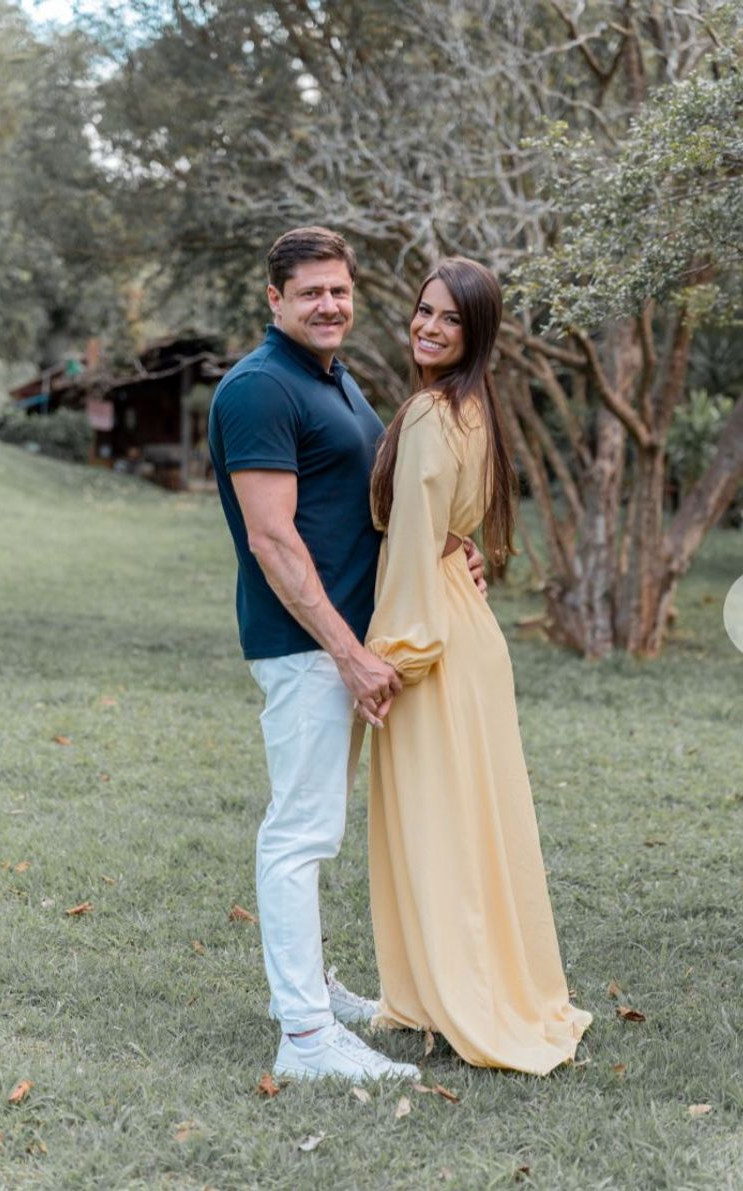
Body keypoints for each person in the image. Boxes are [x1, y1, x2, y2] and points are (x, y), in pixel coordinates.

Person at [208, 227, 487, 1083]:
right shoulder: (259, 389)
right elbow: (272, 539)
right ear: (274, 299)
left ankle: (312, 988)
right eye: (310, 292)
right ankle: (304, 1037)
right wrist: (346, 653)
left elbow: (371, 506)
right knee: (300, 832)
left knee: (318, 826)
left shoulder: (334, 378)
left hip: (353, 646)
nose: (329, 304)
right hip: (308, 647)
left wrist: (451, 553)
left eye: (339, 290)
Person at [363, 256, 592, 1074]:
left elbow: (416, 541)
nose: (428, 326)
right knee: (475, 821)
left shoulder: (432, 411)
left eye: (450, 318)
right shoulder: (471, 407)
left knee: (441, 826)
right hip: (469, 628)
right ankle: (461, 987)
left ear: (476, 333)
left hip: (436, 638)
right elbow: (450, 533)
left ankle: (461, 996)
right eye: (424, 310)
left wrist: (392, 655)